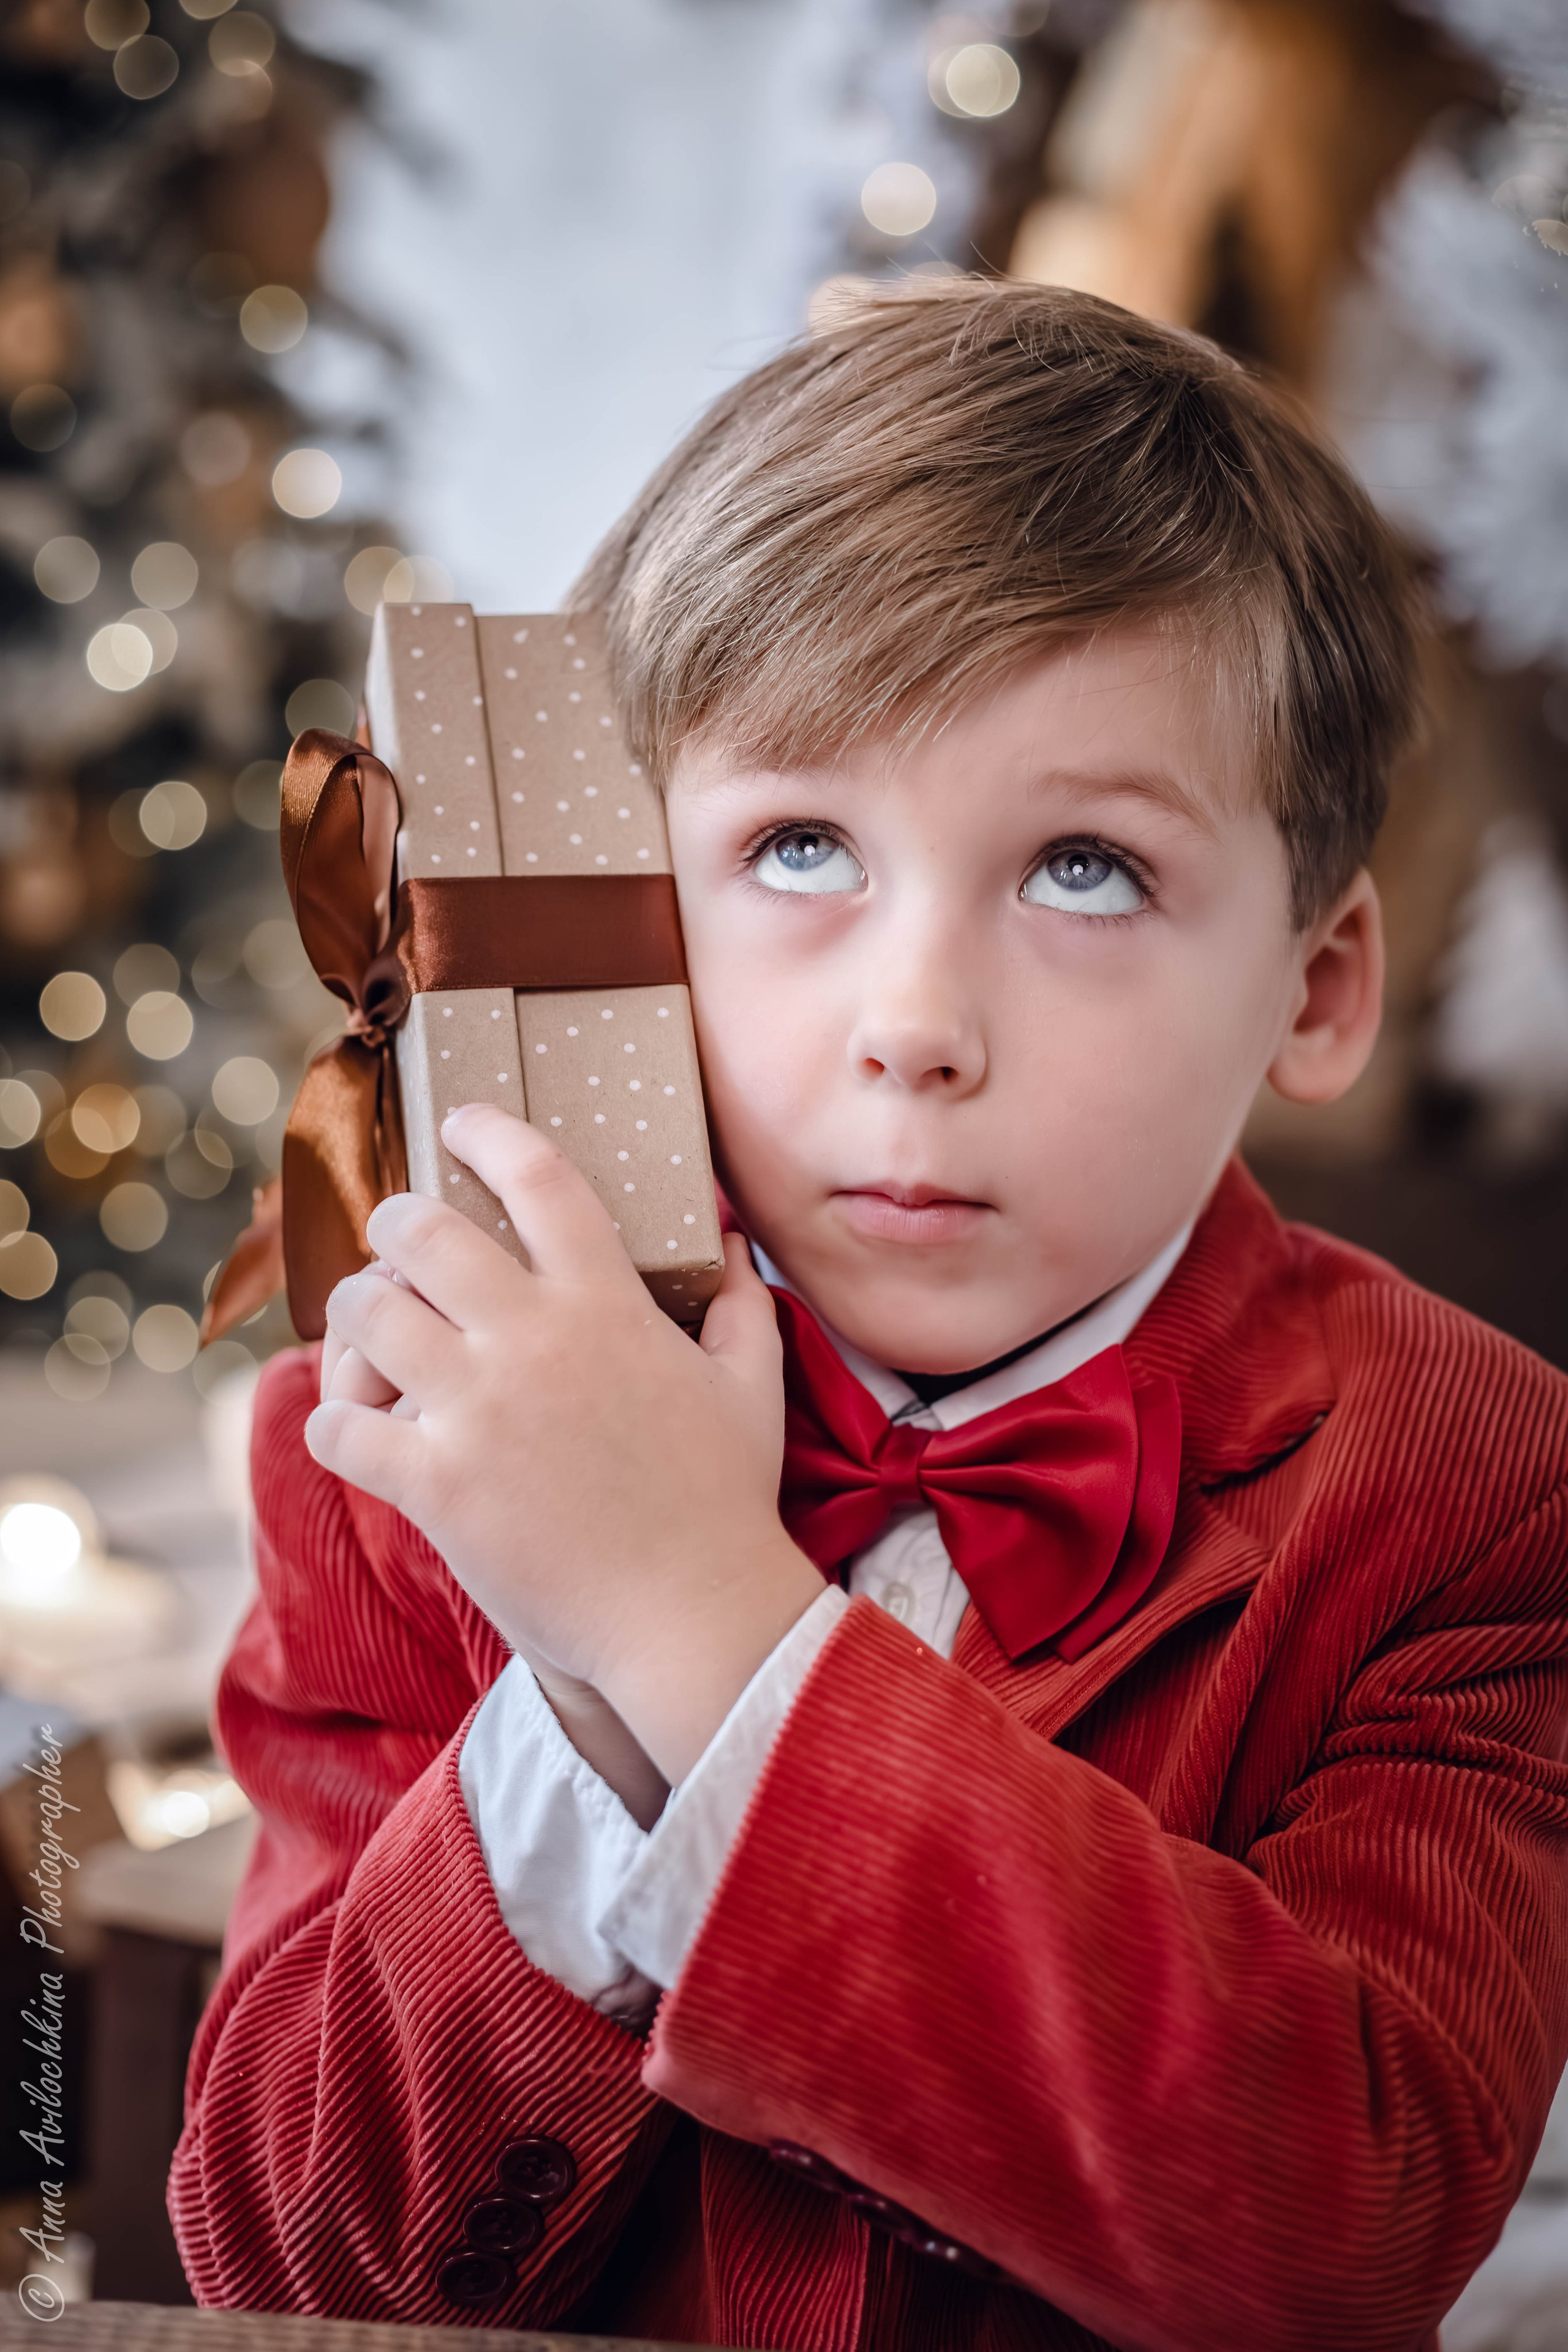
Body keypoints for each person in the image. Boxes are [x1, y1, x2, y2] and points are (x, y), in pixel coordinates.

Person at [170, 281, 1568, 2352]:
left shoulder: (1481, 1494)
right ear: (640, 899)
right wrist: (579, 1710)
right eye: (801, 844)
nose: (915, 1024)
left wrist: (695, 1624)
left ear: (1318, 986)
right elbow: (296, 2270)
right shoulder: (400, 1427)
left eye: (1083, 870)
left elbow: (1335, 2235)